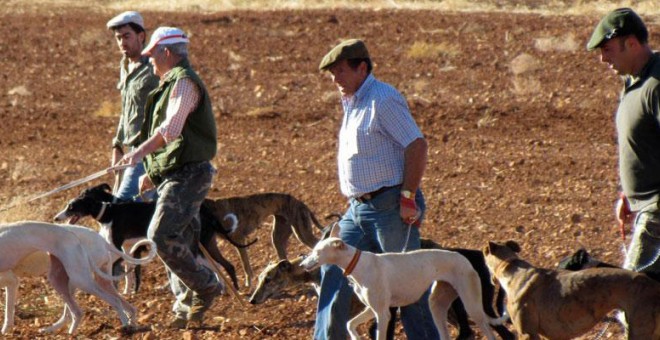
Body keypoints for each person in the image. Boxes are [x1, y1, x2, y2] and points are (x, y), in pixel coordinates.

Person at [314, 39, 439, 339]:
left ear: (362, 68)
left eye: (340, 70)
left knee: (408, 284)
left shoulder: (382, 99)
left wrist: (408, 196)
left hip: (389, 207)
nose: (334, 79)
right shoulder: (354, 101)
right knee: (331, 267)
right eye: (331, 73)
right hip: (357, 209)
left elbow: (416, 144)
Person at [116, 26, 223, 328]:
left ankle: (206, 285)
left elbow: (171, 130)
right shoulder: (169, 83)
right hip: (177, 174)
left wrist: (137, 155)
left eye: (152, 54)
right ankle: (186, 313)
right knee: (182, 243)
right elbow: (172, 141)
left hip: (190, 175)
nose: (148, 59)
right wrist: (151, 172)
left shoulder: (185, 83)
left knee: (160, 236)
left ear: (166, 52)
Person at [588, 8, 660, 278]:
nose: (603, 59)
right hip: (645, 207)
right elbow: (641, 145)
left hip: (656, 211)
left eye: (607, 49)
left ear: (631, 43)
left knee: (633, 300)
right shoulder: (633, 83)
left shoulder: (656, 84)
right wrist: (627, 196)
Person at [106, 11, 159, 201]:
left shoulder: (155, 68)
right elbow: (126, 111)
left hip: (150, 151)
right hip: (131, 152)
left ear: (141, 36)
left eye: (126, 36)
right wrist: (117, 145)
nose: (122, 43)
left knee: (121, 207)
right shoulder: (125, 66)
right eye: (118, 38)